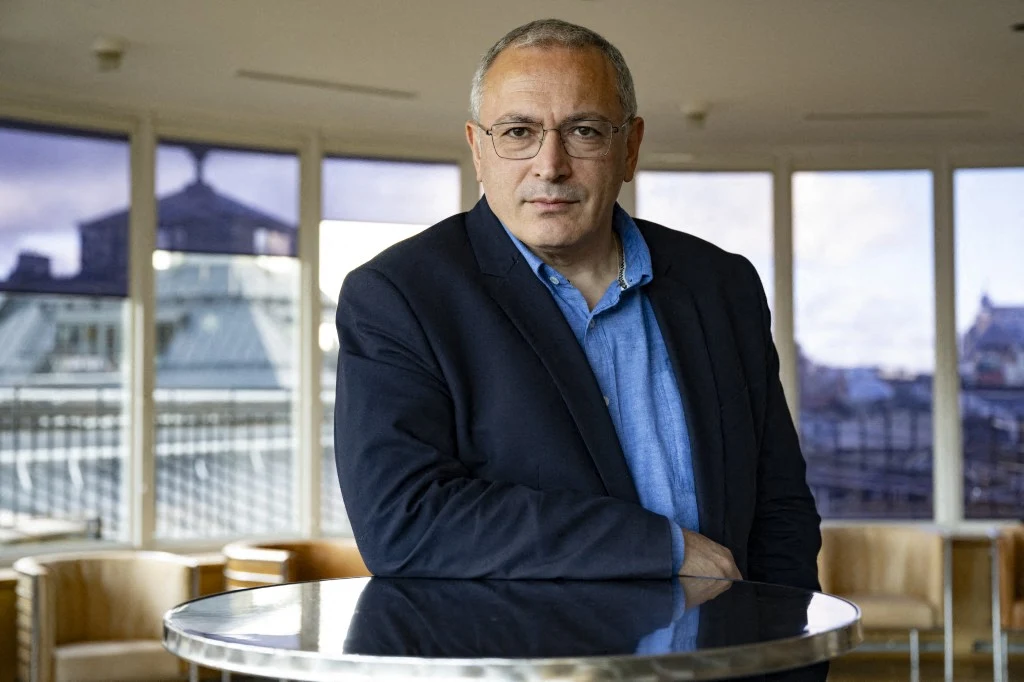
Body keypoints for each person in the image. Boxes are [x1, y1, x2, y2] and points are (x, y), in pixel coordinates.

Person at [334, 18, 822, 590]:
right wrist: (661, 547)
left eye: (584, 131)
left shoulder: (722, 285)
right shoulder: (398, 296)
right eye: (518, 131)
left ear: (630, 148)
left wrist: (789, 640)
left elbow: (780, 508)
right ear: (478, 150)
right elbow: (404, 520)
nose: (550, 165)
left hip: (726, 644)